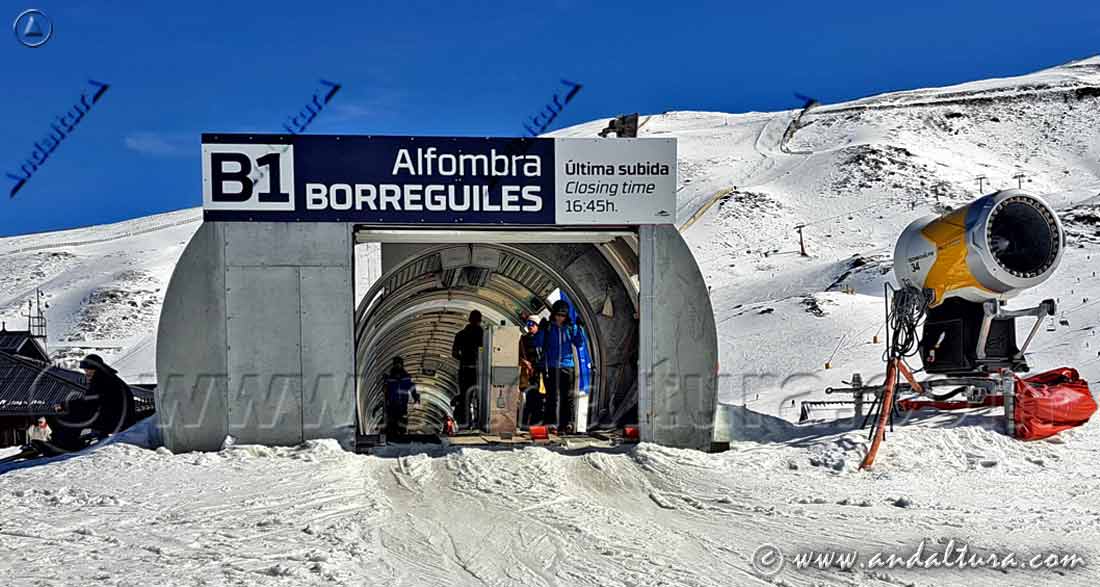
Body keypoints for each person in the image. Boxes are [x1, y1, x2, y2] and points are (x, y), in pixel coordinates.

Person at [46, 354, 135, 454]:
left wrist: (65, 405)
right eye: (85, 369)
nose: (86, 372)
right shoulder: (106, 378)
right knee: (74, 415)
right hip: (117, 418)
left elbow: (89, 403)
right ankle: (63, 442)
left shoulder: (102, 380)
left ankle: (65, 445)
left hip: (114, 420)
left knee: (71, 417)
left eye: (88, 369)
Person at [539, 300, 589, 434]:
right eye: (558, 315)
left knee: (567, 396)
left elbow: (579, 343)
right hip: (551, 365)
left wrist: (580, 328)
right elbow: (538, 342)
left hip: (567, 365)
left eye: (563, 315)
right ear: (553, 314)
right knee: (552, 396)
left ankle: (567, 423)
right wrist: (541, 329)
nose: (560, 318)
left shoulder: (570, 328)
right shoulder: (549, 327)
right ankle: (550, 423)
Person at [451, 310, 483, 429]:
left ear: (469, 319)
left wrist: (463, 358)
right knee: (481, 396)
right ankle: (480, 422)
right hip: (480, 371)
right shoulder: (484, 334)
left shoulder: (460, 334)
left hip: (464, 369)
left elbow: (454, 353)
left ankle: (466, 423)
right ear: (480, 320)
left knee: (465, 397)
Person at [384, 356, 420, 439]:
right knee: (392, 420)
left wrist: (415, 397)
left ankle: (402, 434)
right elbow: (386, 391)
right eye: (396, 364)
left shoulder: (406, 378)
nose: (397, 366)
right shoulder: (390, 378)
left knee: (402, 419)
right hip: (392, 403)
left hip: (402, 403)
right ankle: (393, 436)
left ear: (402, 365)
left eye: (399, 364)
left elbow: (412, 388)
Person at [519, 319, 544, 426]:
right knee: (530, 399)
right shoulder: (523, 340)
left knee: (539, 400)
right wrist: (525, 362)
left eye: (532, 324)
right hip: (529, 375)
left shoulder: (543, 338)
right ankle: (527, 424)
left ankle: (534, 423)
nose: (530, 326)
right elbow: (517, 355)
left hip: (540, 374)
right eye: (528, 324)